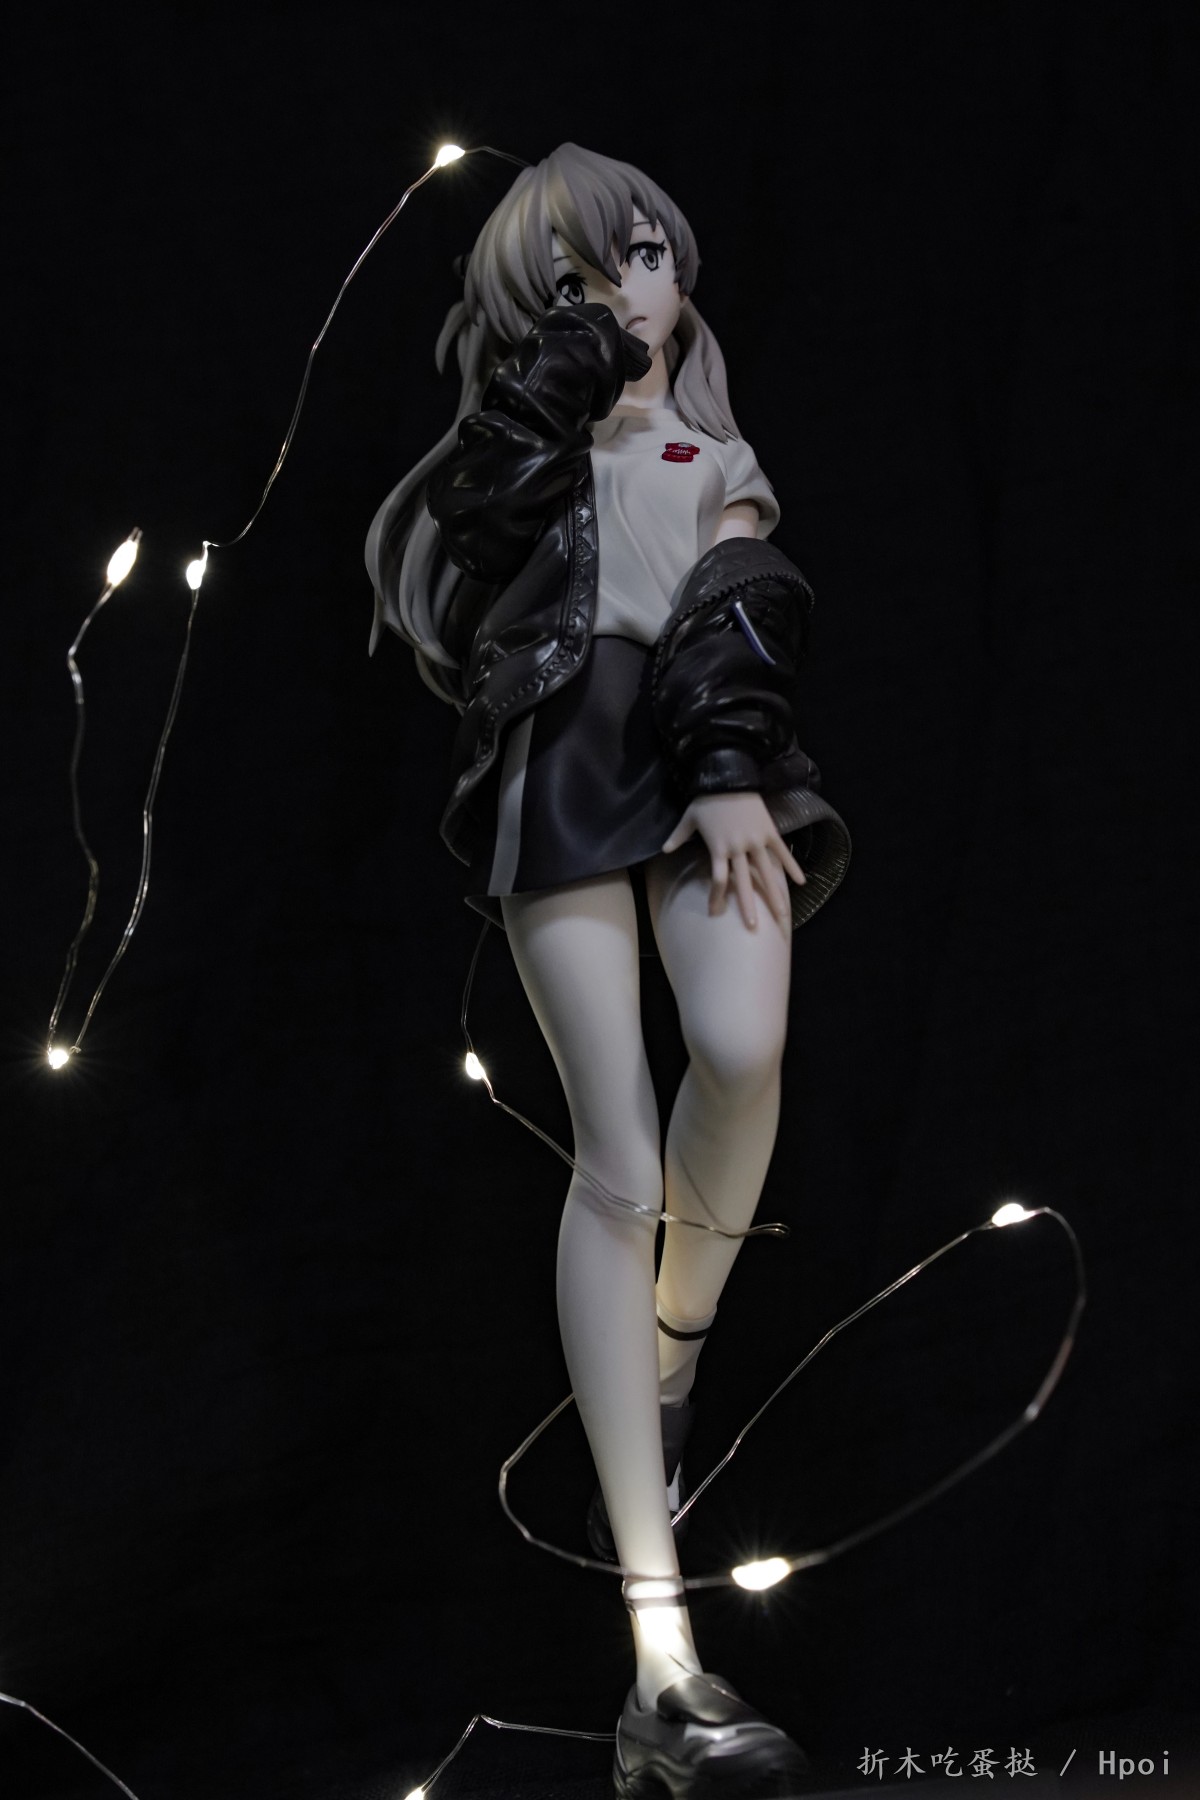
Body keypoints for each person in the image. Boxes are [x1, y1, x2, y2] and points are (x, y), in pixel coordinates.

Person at [365, 142, 849, 1798]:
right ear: (533, 309)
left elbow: (741, 601)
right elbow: (485, 513)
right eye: (578, 276)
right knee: (619, 1156)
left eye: (641, 257)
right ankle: (664, 1668)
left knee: (745, 1051)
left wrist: (726, 764)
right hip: (566, 755)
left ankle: (669, 1356)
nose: (628, 288)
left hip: (707, 750)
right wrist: (570, 359)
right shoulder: (525, 446)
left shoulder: (714, 446)